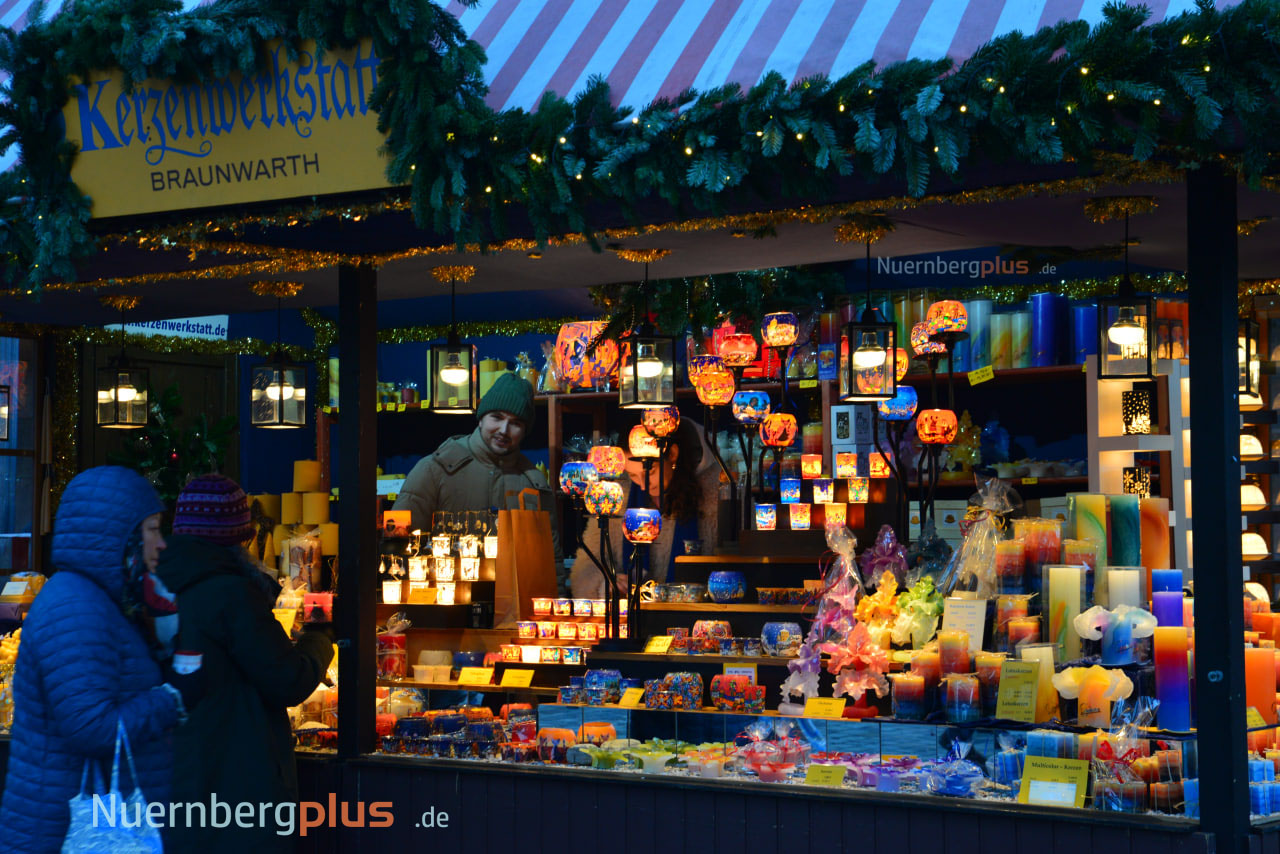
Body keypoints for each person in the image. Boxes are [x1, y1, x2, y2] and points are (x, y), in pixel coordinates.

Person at [0, 466, 200, 854]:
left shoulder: (102, 601)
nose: (161, 544)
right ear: (121, 537)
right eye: (153, 529)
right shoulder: (76, 608)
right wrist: (171, 698)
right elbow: (92, 727)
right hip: (65, 831)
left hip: (84, 822)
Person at [156, 474, 334, 852]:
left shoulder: (155, 585)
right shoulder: (232, 593)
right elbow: (290, 680)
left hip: (179, 778)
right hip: (237, 781)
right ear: (239, 536)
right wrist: (320, 636)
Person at [394, 370, 560, 565]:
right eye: (497, 418)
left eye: (515, 423)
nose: (504, 430)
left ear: (524, 431)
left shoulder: (534, 483)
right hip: (444, 593)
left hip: (517, 595)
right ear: (481, 419)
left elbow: (551, 561)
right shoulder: (434, 470)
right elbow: (397, 544)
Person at [569, 417, 721, 597]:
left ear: (672, 454)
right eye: (632, 474)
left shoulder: (718, 493)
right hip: (633, 617)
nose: (642, 485)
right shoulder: (616, 496)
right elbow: (587, 564)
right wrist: (606, 584)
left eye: (650, 472)